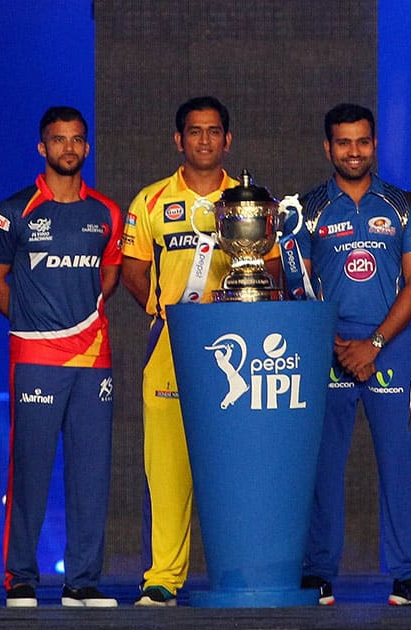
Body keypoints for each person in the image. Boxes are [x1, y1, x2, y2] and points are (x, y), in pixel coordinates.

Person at [121, 96, 280, 606]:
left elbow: (272, 269)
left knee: (239, 463)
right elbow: (132, 269)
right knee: (166, 466)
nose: (205, 140)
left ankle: (241, 571)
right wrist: (166, 309)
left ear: (228, 140)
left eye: (214, 131)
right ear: (179, 139)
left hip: (239, 350)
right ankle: (164, 576)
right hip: (170, 347)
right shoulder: (151, 201)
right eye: (195, 131)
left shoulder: (250, 200)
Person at [0, 106, 122, 608]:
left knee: (91, 472)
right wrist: (30, 321)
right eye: (58, 140)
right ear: (42, 148)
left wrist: (76, 317)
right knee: (31, 469)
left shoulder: (106, 212)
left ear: (86, 147)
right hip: (36, 358)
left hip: (93, 359)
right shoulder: (14, 209)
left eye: (77, 140)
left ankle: (82, 580)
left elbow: (107, 276)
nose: (68, 148)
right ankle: (20, 576)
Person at [298, 103, 411, 607]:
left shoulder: (402, 204)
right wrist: (336, 343)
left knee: (398, 460)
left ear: (374, 145)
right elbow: (299, 282)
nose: (353, 151)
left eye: (362, 142)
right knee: (323, 463)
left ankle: (410, 575)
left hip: (388, 344)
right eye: (343, 143)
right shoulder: (308, 207)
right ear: (327, 147)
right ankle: (317, 573)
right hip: (329, 344)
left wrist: (373, 344)